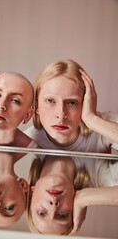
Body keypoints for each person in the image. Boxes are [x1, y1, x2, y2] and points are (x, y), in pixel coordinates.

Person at [24, 59, 118, 234]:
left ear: (31, 195)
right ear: (36, 106)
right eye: (62, 215)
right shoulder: (100, 180)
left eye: (72, 102)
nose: (61, 114)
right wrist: (83, 197)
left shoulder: (102, 124)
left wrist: (91, 119)